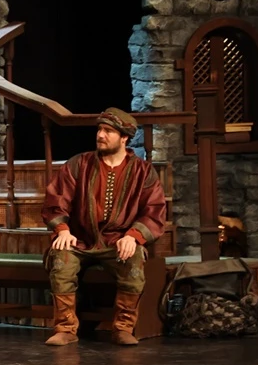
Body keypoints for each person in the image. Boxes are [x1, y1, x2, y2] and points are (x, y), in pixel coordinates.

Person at [41, 107, 167, 347]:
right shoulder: (79, 164)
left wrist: (133, 236)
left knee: (134, 262)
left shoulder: (142, 171)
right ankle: (66, 328)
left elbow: (154, 209)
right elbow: (57, 198)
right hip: (80, 239)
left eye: (108, 131)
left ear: (124, 137)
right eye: (99, 129)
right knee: (61, 260)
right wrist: (63, 229)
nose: (100, 135)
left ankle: (122, 328)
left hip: (118, 241)